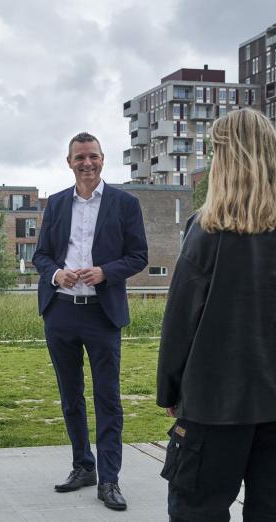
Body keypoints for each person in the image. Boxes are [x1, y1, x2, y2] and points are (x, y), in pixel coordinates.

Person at [157, 108, 276, 522]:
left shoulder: (205, 229)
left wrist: (169, 389)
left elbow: (180, 320)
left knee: (197, 510)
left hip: (213, 403)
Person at [32, 132, 148, 511]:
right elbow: (42, 256)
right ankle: (83, 466)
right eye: (80, 157)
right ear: (69, 162)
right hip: (61, 311)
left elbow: (138, 256)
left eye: (93, 156)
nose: (87, 163)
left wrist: (105, 272)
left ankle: (110, 479)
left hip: (102, 313)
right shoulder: (56, 204)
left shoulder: (125, 204)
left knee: (108, 399)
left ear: (103, 159)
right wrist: (56, 274)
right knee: (70, 398)